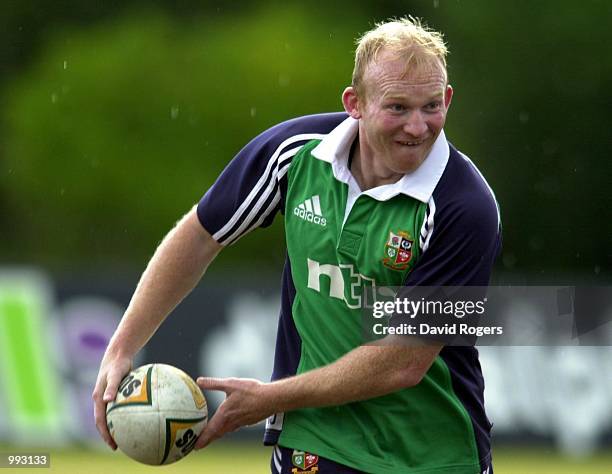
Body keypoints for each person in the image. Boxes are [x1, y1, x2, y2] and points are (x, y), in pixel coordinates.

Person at [93, 17, 500, 474]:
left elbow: (402, 363)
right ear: (355, 104)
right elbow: (201, 234)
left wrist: (268, 399)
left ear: (447, 99)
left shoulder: (464, 207)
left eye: (431, 106)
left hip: (430, 457)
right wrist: (122, 347)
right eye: (398, 107)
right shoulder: (295, 153)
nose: (418, 126)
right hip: (314, 443)